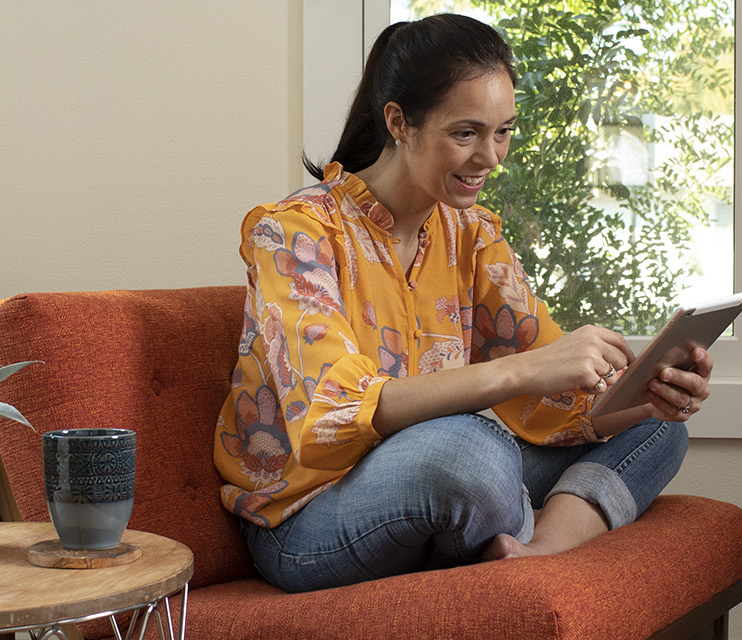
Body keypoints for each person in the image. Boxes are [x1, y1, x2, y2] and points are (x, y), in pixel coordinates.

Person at [211, 14, 707, 594]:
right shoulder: (295, 234)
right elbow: (334, 411)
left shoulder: (470, 234)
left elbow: (552, 402)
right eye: (466, 133)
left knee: (657, 430)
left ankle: (533, 555)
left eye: (503, 131)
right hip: (306, 517)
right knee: (471, 452)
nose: (491, 157)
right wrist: (518, 371)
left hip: (435, 472)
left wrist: (645, 388)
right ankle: (518, 525)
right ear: (399, 122)